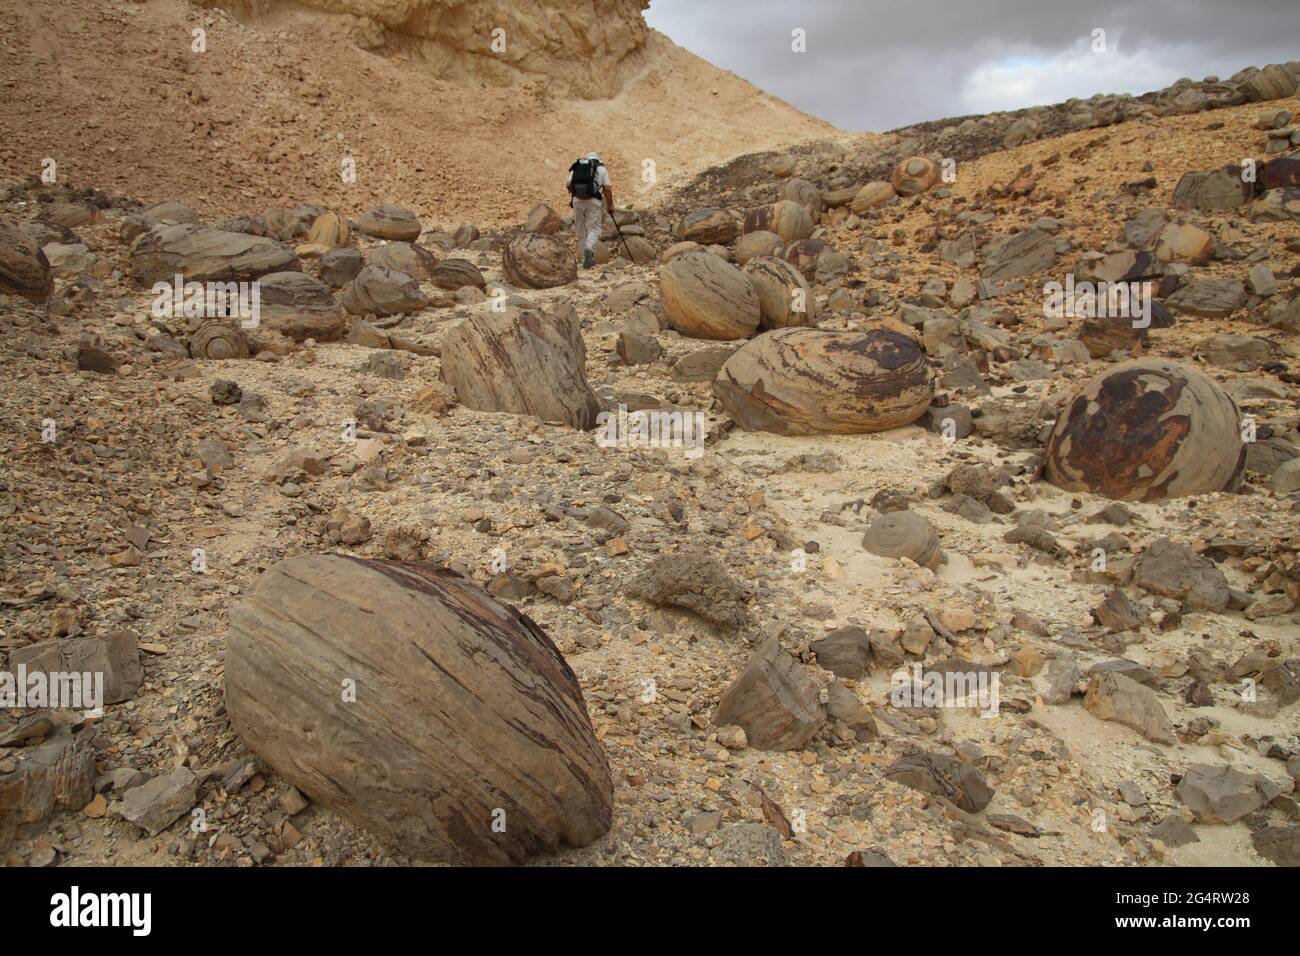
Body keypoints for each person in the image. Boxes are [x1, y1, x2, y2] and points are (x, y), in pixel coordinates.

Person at [567, 152, 613, 269]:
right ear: (598, 161)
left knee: (580, 228)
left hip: (577, 202)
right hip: (594, 202)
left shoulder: (577, 168)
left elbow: (568, 184)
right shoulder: (602, 170)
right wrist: (610, 205)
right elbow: (607, 189)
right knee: (594, 228)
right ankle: (589, 248)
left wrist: (577, 194)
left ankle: (582, 259)